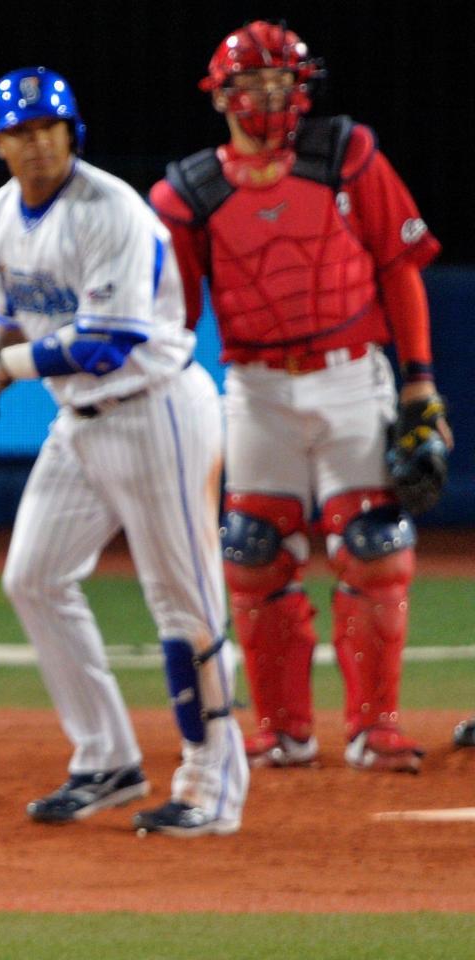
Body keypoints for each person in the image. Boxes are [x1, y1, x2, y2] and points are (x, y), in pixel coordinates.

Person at [0, 65, 249, 837]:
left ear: (72, 132)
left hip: (158, 411)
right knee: (34, 577)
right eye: (19, 131)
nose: (35, 143)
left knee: (186, 603)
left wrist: (1, 368)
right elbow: (15, 317)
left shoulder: (112, 210)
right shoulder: (1, 214)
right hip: (79, 421)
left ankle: (214, 784)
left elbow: (106, 343)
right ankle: (107, 757)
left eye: (48, 127)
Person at [149, 21, 453, 774]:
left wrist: (419, 381)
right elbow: (174, 319)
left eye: (282, 82)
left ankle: (374, 728)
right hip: (255, 386)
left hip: (353, 373)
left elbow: (400, 266)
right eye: (254, 83)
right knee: (252, 553)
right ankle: (283, 730)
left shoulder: (347, 153)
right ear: (221, 95)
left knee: (375, 546)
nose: (270, 97)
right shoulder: (184, 194)